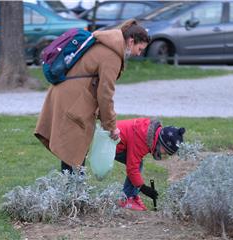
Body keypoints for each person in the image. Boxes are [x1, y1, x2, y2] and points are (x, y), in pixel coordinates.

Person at [34, 20, 150, 173]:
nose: (138, 53)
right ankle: (74, 194)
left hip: (67, 95)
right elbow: (105, 94)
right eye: (139, 49)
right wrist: (111, 126)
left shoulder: (106, 43)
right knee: (75, 151)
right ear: (131, 41)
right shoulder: (113, 55)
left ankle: (71, 193)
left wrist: (107, 121)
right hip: (73, 100)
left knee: (72, 151)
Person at [115, 118, 185, 211]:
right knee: (136, 165)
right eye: (165, 151)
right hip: (110, 144)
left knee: (138, 163)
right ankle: (125, 199)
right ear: (161, 142)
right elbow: (132, 168)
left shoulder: (150, 133)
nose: (164, 154)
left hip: (118, 141)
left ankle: (132, 196)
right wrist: (143, 188)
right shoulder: (142, 140)